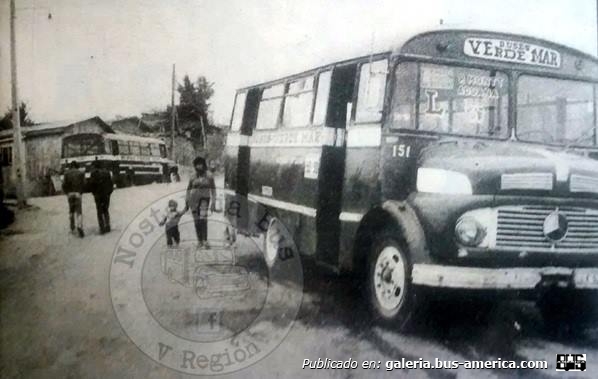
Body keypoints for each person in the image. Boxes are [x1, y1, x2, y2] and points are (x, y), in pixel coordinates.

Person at [185, 156, 216, 249]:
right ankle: (199, 241)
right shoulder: (192, 176)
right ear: (195, 166)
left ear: (204, 165)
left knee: (203, 219)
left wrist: (213, 202)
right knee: (196, 221)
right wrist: (186, 201)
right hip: (193, 200)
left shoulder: (209, 176)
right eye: (197, 164)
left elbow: (213, 190)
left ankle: (205, 240)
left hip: (204, 200)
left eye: (201, 164)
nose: (199, 166)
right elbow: (188, 189)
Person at [88, 160, 114, 234]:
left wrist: (94, 193)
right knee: (105, 210)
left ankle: (102, 227)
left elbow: (91, 185)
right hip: (106, 195)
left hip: (98, 195)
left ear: (95, 166)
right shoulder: (107, 172)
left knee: (99, 211)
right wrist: (109, 193)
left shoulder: (93, 174)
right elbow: (111, 184)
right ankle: (107, 225)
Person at [62, 161, 85, 237]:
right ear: (77, 166)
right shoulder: (80, 173)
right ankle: (79, 226)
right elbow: (84, 183)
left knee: (71, 210)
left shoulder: (66, 174)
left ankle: (72, 226)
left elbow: (64, 185)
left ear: (70, 166)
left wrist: (67, 193)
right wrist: (81, 192)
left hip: (70, 194)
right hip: (78, 193)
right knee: (79, 211)